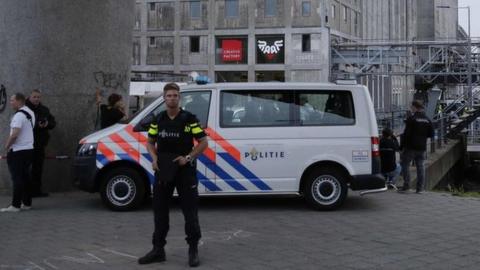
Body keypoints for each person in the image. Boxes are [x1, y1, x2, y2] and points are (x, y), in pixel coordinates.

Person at [139, 83, 208, 267]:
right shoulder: (158, 119)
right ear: (164, 98)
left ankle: (193, 250)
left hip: (185, 171)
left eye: (175, 95)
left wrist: (188, 157)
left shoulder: (189, 119)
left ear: (180, 98)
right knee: (160, 213)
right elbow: (150, 142)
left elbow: (203, 142)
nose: (172, 98)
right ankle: (157, 250)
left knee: (190, 213)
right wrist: (153, 158)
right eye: (168, 95)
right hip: (163, 171)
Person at [1, 93, 35, 212]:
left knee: (17, 178)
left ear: (19, 101)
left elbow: (15, 134)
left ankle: (15, 205)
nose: (10, 103)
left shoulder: (19, 116)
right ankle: (26, 203)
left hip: (18, 151)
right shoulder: (30, 113)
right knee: (25, 177)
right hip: (28, 149)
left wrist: (7, 146)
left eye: (12, 100)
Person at [399, 100, 434, 194]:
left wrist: (401, 147)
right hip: (422, 147)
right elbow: (431, 134)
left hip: (410, 147)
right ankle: (420, 189)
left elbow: (406, 135)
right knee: (421, 167)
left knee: (405, 164)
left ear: (415, 107)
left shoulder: (411, 119)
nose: (411, 108)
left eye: (412, 107)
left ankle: (406, 186)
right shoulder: (427, 119)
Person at [26, 89, 56, 197]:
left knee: (38, 168)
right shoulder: (24, 110)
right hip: (27, 143)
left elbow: (53, 123)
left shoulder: (44, 110)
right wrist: (36, 126)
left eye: (38, 97)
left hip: (39, 144)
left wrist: (47, 124)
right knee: (26, 168)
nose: (36, 99)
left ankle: (36, 191)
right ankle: (27, 191)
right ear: (29, 97)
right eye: (34, 97)